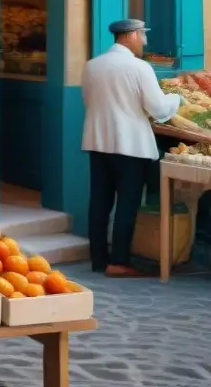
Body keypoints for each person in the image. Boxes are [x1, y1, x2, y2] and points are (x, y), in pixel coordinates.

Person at [81, 18, 180, 277]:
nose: (145, 41)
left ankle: (99, 259)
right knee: (127, 203)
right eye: (142, 36)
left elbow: (88, 101)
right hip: (130, 146)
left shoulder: (92, 66)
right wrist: (176, 98)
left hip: (98, 142)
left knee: (100, 202)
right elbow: (158, 109)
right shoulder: (140, 68)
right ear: (131, 36)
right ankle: (119, 261)